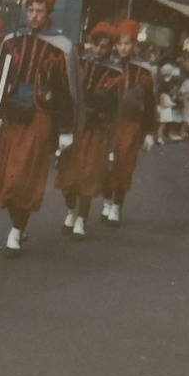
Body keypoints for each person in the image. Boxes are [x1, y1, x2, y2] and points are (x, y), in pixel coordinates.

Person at [0, 0, 82, 258]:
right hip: (11, 116)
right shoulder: (11, 41)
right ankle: (18, 223)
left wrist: (66, 129)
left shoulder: (62, 47)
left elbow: (68, 91)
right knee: (5, 178)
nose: (34, 16)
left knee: (24, 179)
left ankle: (17, 231)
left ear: (49, 13)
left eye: (40, 11)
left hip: (39, 117)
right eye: (30, 10)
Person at [57, 22, 124, 238]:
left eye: (104, 47)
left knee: (86, 175)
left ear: (110, 48)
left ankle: (82, 219)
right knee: (66, 176)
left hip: (95, 129)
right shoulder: (80, 64)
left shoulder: (116, 73)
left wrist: (93, 103)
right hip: (75, 126)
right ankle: (70, 211)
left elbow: (111, 103)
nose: (98, 51)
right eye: (95, 45)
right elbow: (69, 92)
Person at [102, 19, 158, 226]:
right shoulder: (108, 66)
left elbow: (150, 104)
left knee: (124, 165)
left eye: (128, 44)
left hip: (131, 124)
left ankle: (117, 205)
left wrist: (150, 132)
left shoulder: (144, 71)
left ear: (134, 45)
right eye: (120, 44)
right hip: (109, 123)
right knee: (104, 165)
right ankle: (107, 199)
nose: (123, 47)